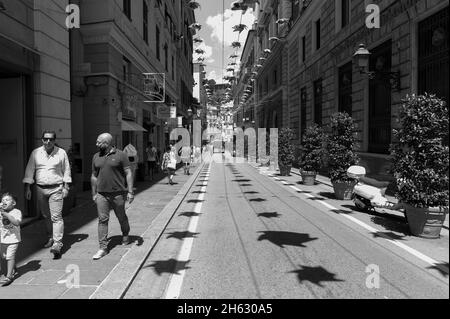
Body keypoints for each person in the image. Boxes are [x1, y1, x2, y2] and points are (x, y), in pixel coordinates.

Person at [23, 131, 71, 259]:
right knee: (46, 216)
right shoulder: (36, 153)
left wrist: (66, 186)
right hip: (40, 188)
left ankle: (57, 244)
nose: (48, 142)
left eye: (50, 139)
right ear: (42, 140)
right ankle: (51, 237)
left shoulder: (61, 153)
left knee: (56, 216)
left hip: (56, 188)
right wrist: (28, 187)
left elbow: (66, 170)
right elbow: (30, 169)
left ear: (54, 140)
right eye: (45, 139)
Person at [91, 133, 134, 260]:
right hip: (101, 194)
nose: (96, 144)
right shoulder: (96, 156)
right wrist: (93, 193)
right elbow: (94, 176)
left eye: (99, 142)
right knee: (102, 220)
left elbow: (128, 173)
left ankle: (125, 234)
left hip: (118, 194)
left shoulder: (121, 155)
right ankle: (103, 247)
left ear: (107, 143)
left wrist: (130, 191)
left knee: (121, 216)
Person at [0, 193, 21, 286]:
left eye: (7, 200)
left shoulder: (16, 212)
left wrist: (6, 215)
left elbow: (16, 223)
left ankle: (9, 276)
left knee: (9, 257)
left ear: (14, 203)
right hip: (3, 240)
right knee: (4, 257)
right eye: (3, 200)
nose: (4, 201)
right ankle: (12, 267)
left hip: (13, 240)